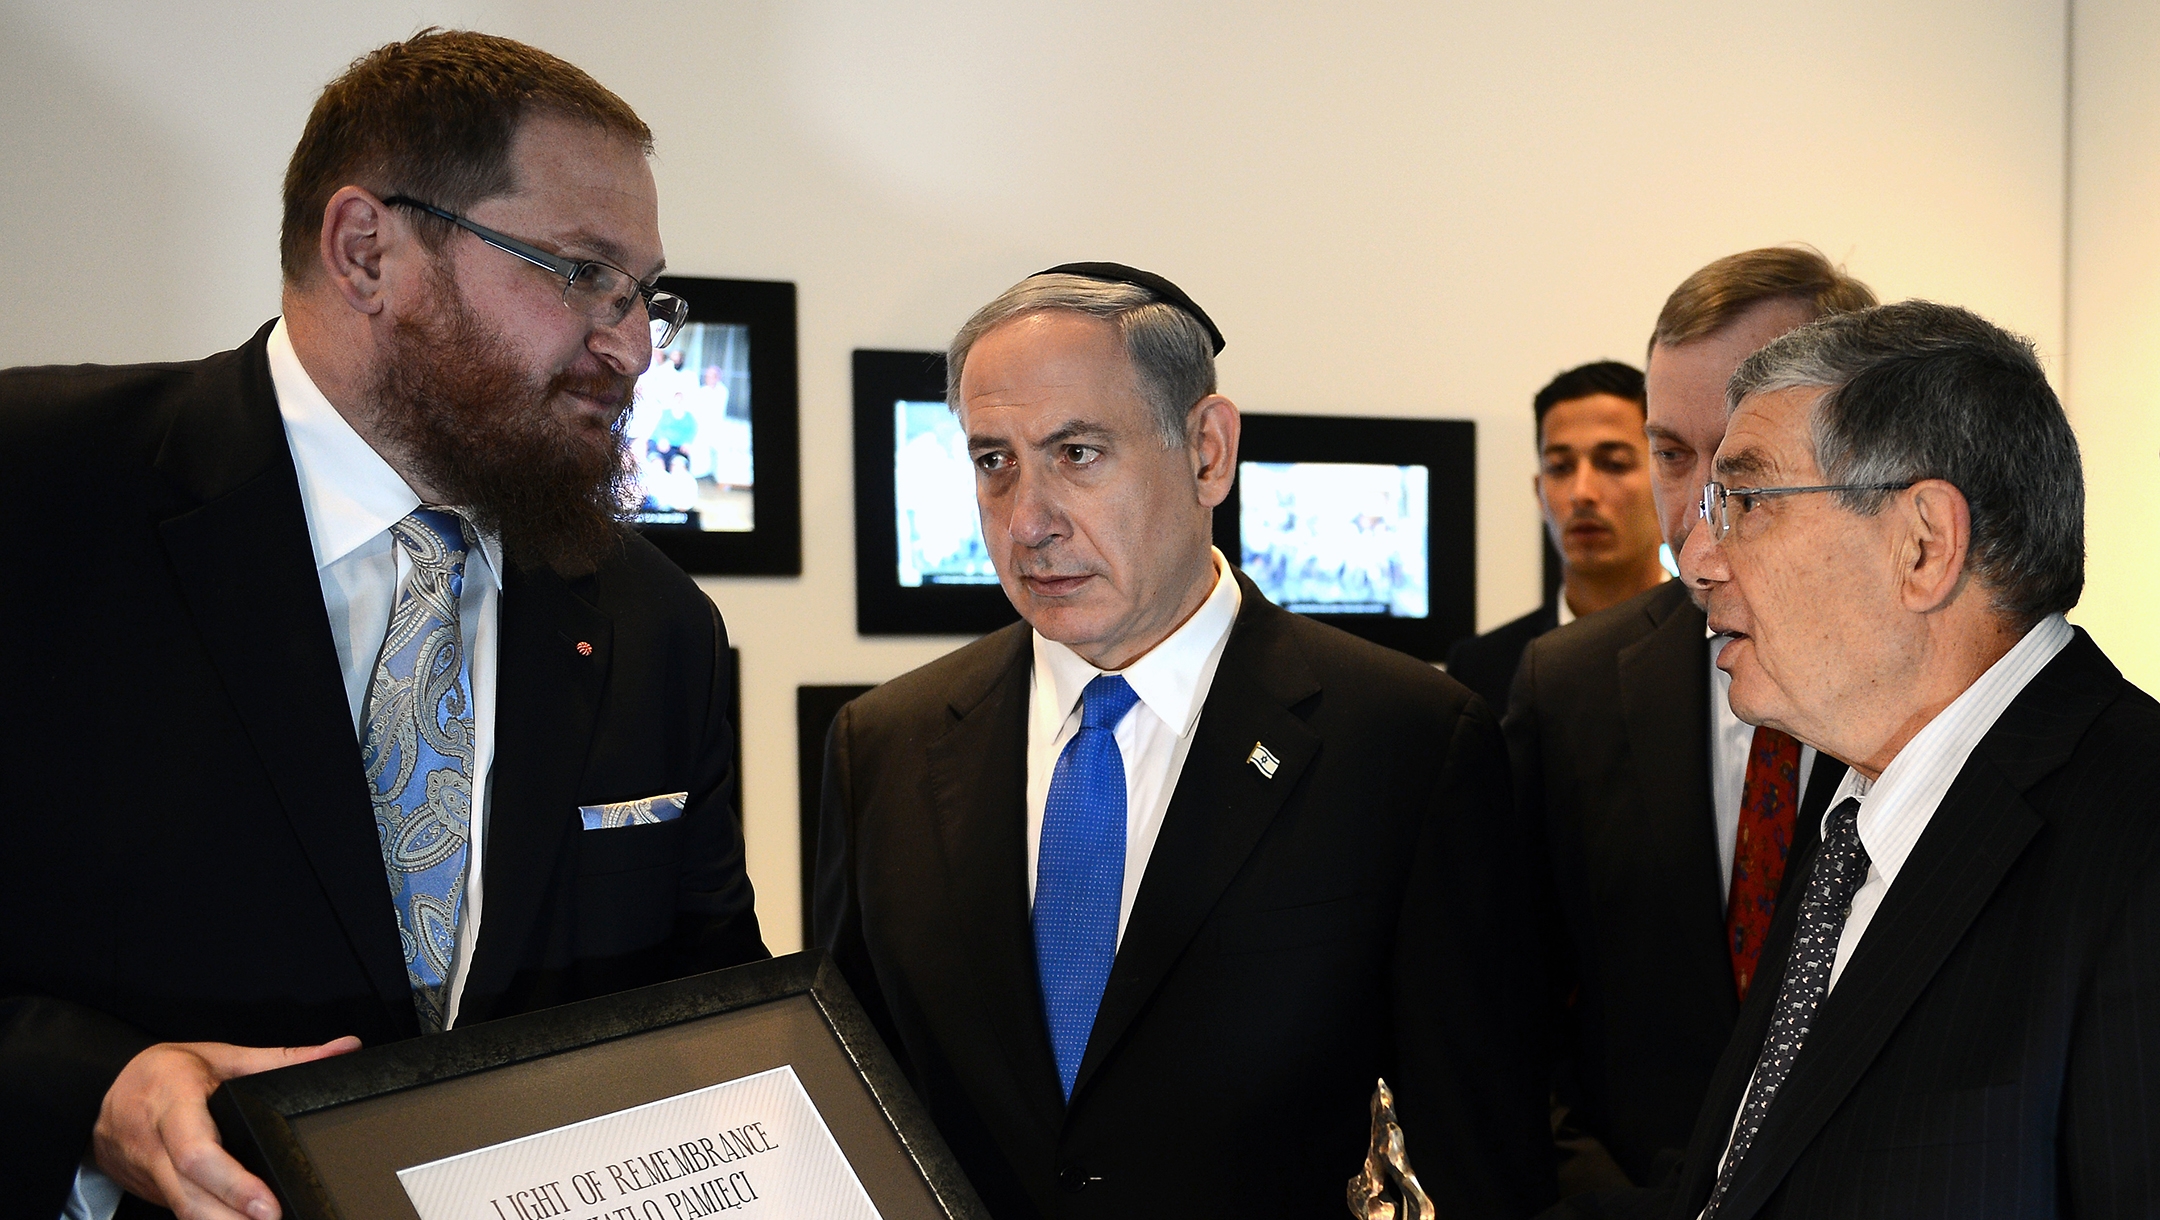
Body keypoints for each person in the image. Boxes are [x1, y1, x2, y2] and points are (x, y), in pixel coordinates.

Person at [0, 31, 766, 1220]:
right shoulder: (40, 493)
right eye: (580, 274)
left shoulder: (656, 621)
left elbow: (706, 1000)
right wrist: (87, 1087)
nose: (631, 348)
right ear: (366, 250)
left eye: (643, 296)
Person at [815, 264, 1553, 1218]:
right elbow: (855, 1113)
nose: (1027, 522)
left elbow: (1480, 1149)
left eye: (1077, 453)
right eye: (993, 461)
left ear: (1208, 450)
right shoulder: (883, 747)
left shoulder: (1405, 741)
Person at [1643, 300, 2159, 1217]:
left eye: (1746, 502)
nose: (1696, 560)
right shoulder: (1854, 815)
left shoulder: (2136, 839)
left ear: (1924, 544)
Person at [1504, 248, 1872, 1191]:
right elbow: (1506, 1023)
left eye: (1745, 462)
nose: (1700, 510)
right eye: (1672, 454)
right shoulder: (1569, 685)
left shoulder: (1928, 698)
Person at [1446, 361, 1667, 712]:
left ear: (1664, 480)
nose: (1582, 492)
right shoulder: (1482, 667)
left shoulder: (1710, 647)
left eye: (1613, 463)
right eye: (1560, 468)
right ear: (1539, 491)